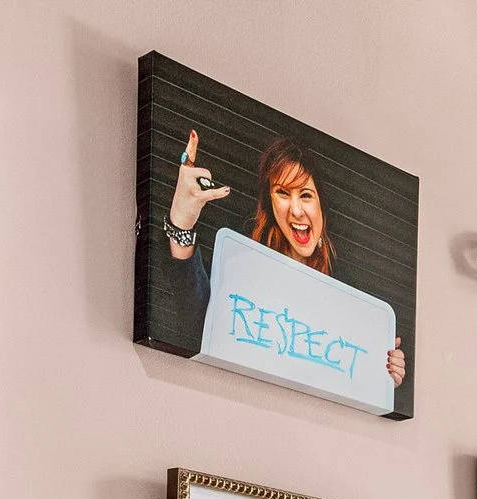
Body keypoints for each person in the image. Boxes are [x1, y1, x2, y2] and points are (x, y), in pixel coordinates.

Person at [154, 129, 403, 388]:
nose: (296, 210)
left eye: (306, 195)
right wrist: (181, 223)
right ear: (270, 202)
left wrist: (384, 372)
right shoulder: (241, 266)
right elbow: (197, 321)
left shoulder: (346, 291)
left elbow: (346, 377)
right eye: (283, 193)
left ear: (322, 206)